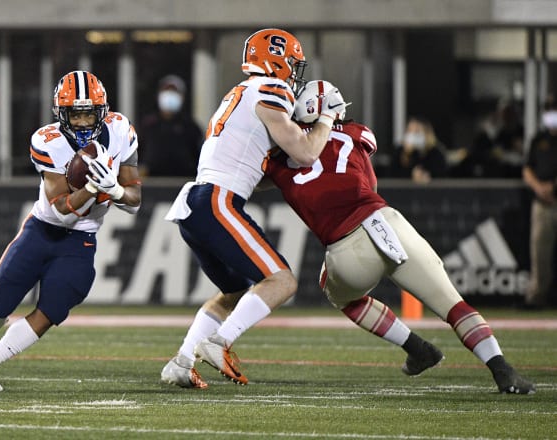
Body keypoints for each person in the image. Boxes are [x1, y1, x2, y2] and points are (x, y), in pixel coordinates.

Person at [163, 80, 535, 395]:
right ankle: (501, 368)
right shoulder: (354, 134)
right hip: (384, 222)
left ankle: (415, 347)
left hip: (342, 247)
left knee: (338, 291)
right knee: (453, 305)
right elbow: (367, 181)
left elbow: (266, 173)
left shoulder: (280, 158)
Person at [161, 28, 342, 388]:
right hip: (217, 200)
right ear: (275, 60)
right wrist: (326, 119)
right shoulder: (270, 89)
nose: (294, 72)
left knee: (232, 292)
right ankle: (219, 343)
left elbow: (253, 172)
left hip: (196, 203)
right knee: (281, 281)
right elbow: (307, 152)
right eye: (291, 63)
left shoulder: (241, 92)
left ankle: (182, 363)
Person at [0, 70, 142, 391]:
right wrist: (91, 188)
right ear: (61, 114)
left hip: (82, 239)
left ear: (102, 112)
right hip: (42, 231)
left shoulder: (120, 129)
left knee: (58, 303)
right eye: (76, 114)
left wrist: (113, 190)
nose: (84, 122)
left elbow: (134, 200)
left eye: (90, 114)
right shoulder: (48, 141)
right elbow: (61, 208)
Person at [522, 98, 557, 309]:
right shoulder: (539, 140)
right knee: (539, 254)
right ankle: (536, 298)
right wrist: (539, 188)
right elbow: (527, 169)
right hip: (542, 205)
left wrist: (552, 186)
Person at [138, 75, 204, 177]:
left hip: (182, 183)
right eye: (166, 91)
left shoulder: (191, 127)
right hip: (152, 185)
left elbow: (199, 157)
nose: (169, 96)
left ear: (182, 97)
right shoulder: (148, 125)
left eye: (174, 92)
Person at [388, 116, 448, 183]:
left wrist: (428, 178)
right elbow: (392, 176)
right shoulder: (399, 151)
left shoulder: (436, 152)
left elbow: (442, 177)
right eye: (409, 131)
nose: (412, 135)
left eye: (417, 131)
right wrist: (406, 155)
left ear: (426, 133)